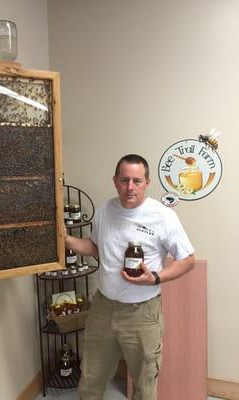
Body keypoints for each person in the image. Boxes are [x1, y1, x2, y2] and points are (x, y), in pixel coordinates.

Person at [65, 154, 195, 400]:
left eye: (137, 181)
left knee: (145, 385)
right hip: (102, 308)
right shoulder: (105, 210)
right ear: (114, 181)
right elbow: (95, 247)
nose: (130, 187)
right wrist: (66, 239)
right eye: (124, 180)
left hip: (142, 313)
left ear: (147, 182)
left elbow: (187, 260)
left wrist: (155, 277)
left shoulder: (163, 216)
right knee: (91, 377)